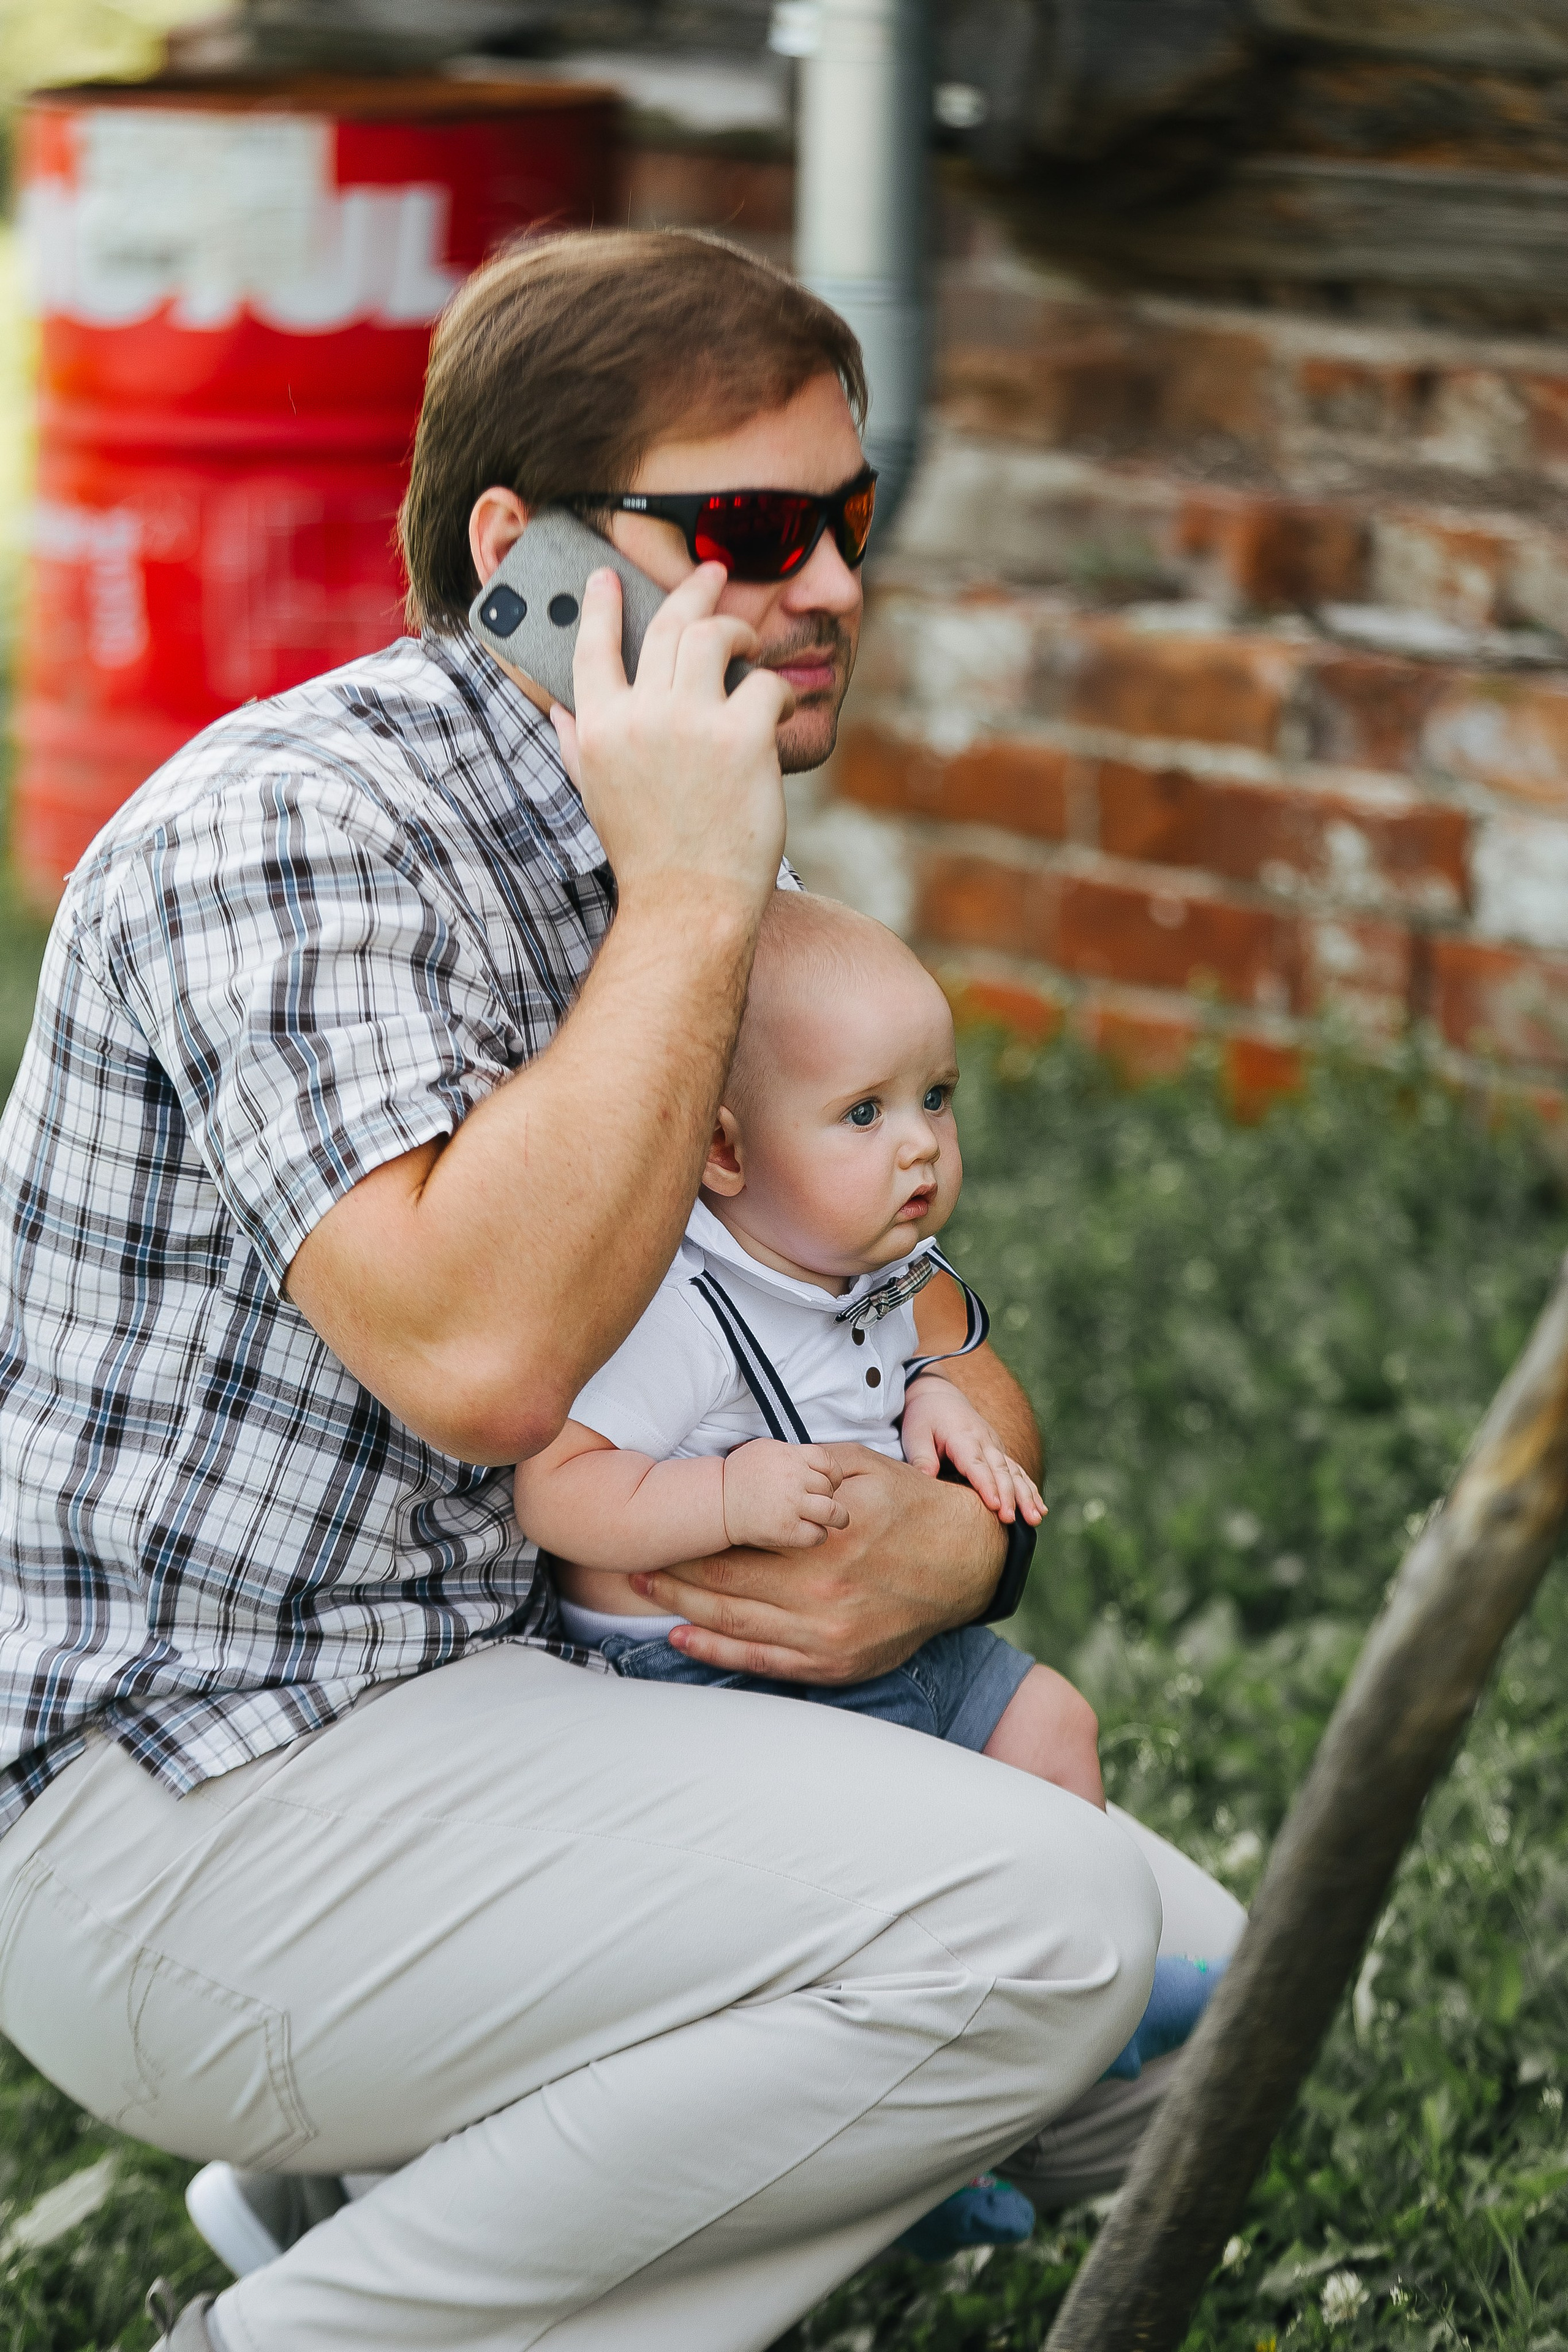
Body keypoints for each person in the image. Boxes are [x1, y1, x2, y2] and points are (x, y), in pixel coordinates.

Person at [0, 228, 1241, 2352]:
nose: (835, 586)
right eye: (751, 530)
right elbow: (482, 1360)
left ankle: (346, 2191)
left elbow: (906, 1309)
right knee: (1036, 1941)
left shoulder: (695, 865)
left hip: (537, 1699)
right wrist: (684, 889)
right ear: (530, 555)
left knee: (1196, 2022)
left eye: (851, 520)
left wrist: (960, 1555)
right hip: (193, 1800)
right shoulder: (298, 832)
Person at [518, 886, 1099, 1807]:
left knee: (1056, 1724)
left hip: (887, 1638)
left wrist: (934, 1398)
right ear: (724, 1152)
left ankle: (1094, 1942)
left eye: (936, 1098)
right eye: (866, 1114)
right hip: (711, 1676)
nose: (921, 1145)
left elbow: (917, 1362)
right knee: (897, 1832)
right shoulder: (685, 1309)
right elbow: (554, 1492)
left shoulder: (877, 1263)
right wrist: (725, 1495)